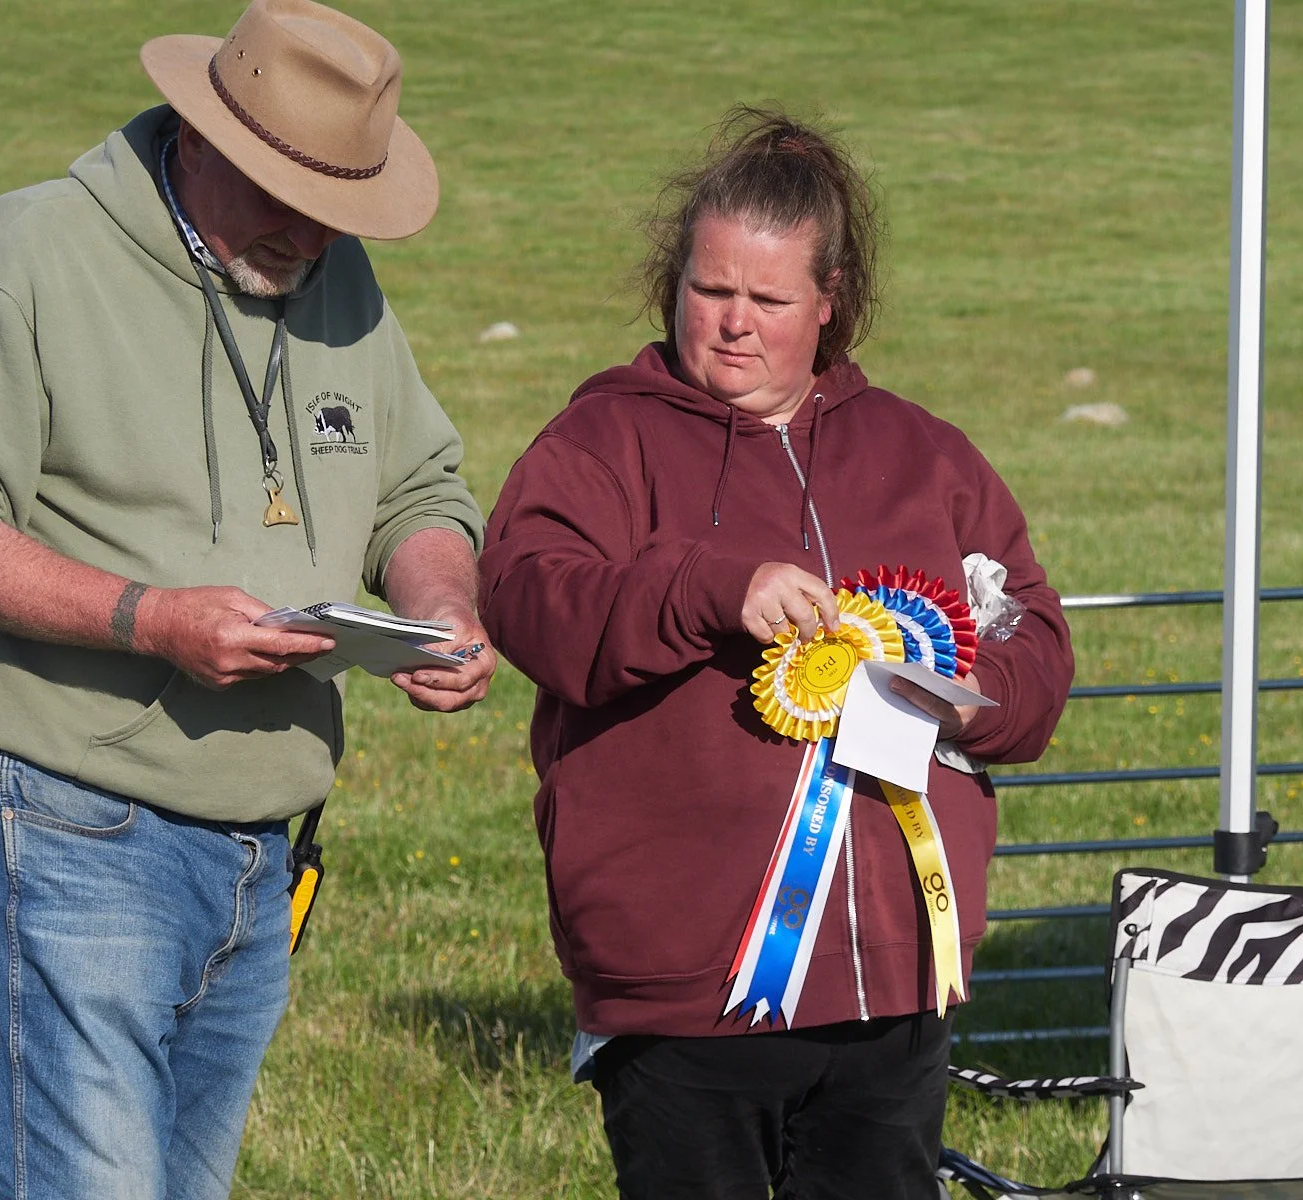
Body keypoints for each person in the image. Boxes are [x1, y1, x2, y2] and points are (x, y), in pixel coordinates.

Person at [0, 2, 495, 1196]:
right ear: (200, 136)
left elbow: (419, 492)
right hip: (64, 827)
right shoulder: (32, 251)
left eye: (339, 206)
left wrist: (439, 608)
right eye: (285, 194)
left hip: (260, 853)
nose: (312, 232)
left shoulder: (334, 272)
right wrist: (148, 620)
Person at [478, 106, 1073, 1200]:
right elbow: (528, 600)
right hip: (684, 991)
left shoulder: (924, 454)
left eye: (769, 300)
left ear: (830, 300)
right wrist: (712, 588)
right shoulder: (599, 442)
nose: (733, 325)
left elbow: (1029, 628)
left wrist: (979, 695)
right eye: (710, 290)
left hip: (896, 984)